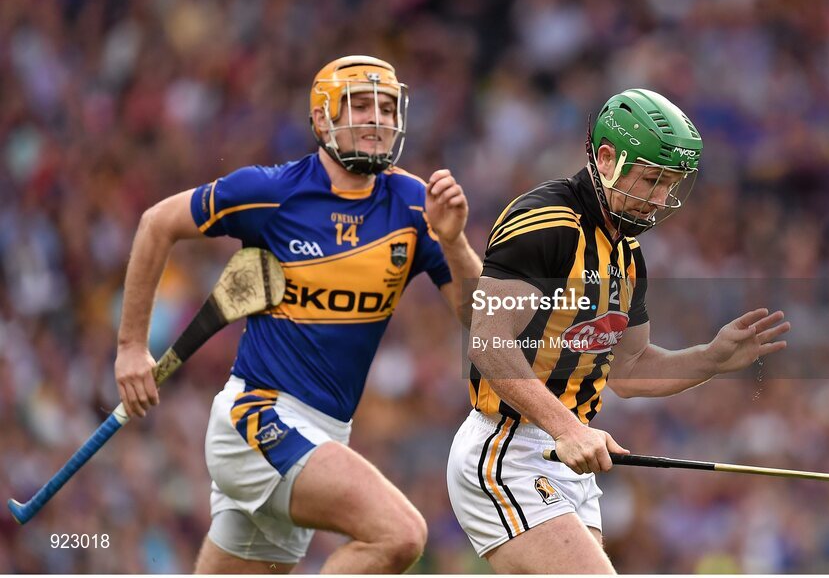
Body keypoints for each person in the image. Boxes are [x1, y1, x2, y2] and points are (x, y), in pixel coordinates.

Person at [115, 55, 481, 573]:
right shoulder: (272, 191)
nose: (377, 118)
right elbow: (157, 223)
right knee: (400, 534)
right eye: (360, 105)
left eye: (387, 107)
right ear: (323, 120)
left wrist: (455, 242)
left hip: (323, 435)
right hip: (256, 419)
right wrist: (131, 347)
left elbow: (481, 319)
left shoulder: (416, 205)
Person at [447, 88, 791, 573]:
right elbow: (488, 343)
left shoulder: (627, 254)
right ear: (607, 159)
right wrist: (567, 427)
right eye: (652, 180)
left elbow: (629, 370)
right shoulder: (544, 223)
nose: (660, 199)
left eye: (670, 184)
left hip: (565, 457)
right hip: (506, 450)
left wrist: (711, 358)